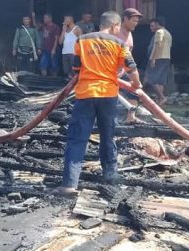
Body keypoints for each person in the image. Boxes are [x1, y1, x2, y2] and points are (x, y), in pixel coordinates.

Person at [57, 11, 141, 193]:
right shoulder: (119, 43)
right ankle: (110, 177)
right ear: (114, 26)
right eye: (118, 27)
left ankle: (69, 184)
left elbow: (76, 68)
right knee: (108, 136)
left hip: (85, 94)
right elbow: (131, 68)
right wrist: (137, 85)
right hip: (108, 95)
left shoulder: (82, 40)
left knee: (78, 138)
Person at [117, 8, 143, 123]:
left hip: (125, 70)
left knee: (134, 92)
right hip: (113, 71)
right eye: (133, 21)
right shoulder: (117, 32)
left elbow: (129, 54)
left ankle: (130, 117)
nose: (135, 24)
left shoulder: (130, 33)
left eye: (137, 21)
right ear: (125, 19)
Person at [146, 16, 172, 106]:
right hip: (166, 58)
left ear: (157, 24)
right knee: (160, 81)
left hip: (158, 58)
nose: (151, 27)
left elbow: (157, 46)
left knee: (151, 79)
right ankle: (160, 101)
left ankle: (162, 97)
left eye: (153, 25)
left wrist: (153, 59)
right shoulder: (168, 33)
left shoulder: (159, 32)